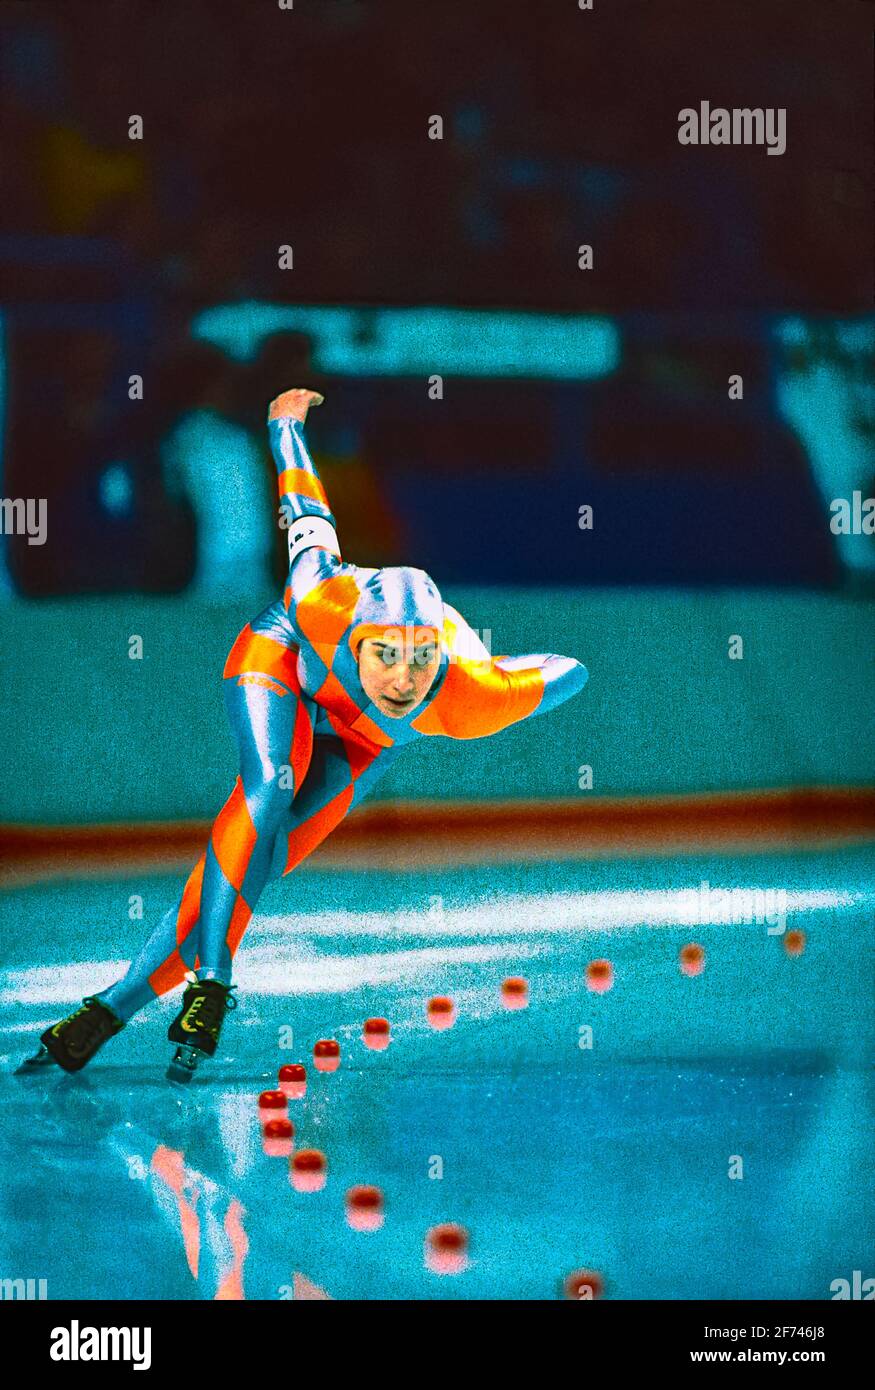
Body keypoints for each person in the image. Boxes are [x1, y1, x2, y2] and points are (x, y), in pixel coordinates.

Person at [22, 389, 588, 1081]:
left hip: (364, 737)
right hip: (286, 657)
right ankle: (213, 980)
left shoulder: (470, 698)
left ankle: (108, 1009)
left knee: (256, 866)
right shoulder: (320, 599)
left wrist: (506, 675)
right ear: (355, 635)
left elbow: (570, 671)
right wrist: (283, 426)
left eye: (420, 657)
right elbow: (305, 505)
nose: (402, 678)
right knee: (269, 785)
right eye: (384, 653)